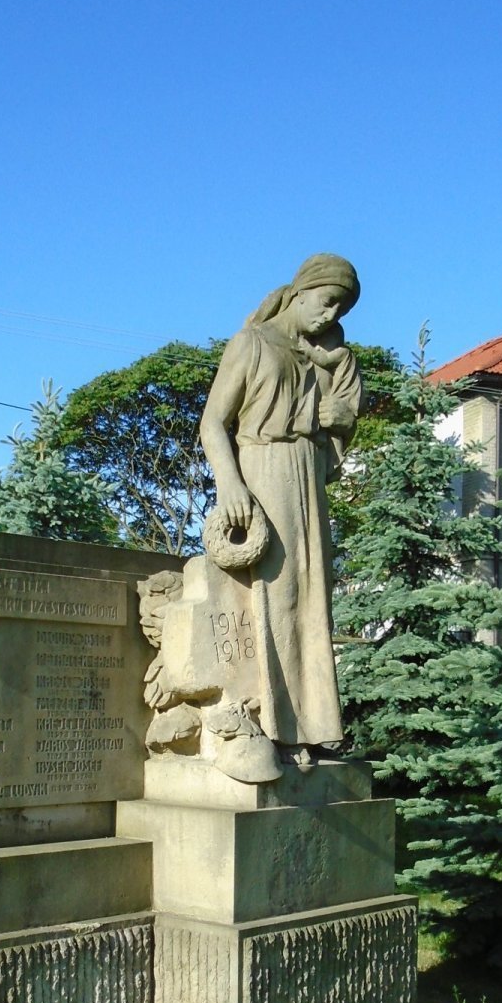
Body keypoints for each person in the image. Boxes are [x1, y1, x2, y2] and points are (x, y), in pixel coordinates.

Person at [199, 253, 362, 753]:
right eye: (327, 300)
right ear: (302, 290)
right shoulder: (253, 343)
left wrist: (340, 418)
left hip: (308, 472)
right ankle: (274, 730)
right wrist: (230, 486)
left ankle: (315, 731)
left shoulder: (329, 358)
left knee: (314, 599)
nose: (331, 314)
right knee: (278, 595)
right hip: (264, 469)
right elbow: (212, 423)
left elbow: (342, 426)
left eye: (341, 308)